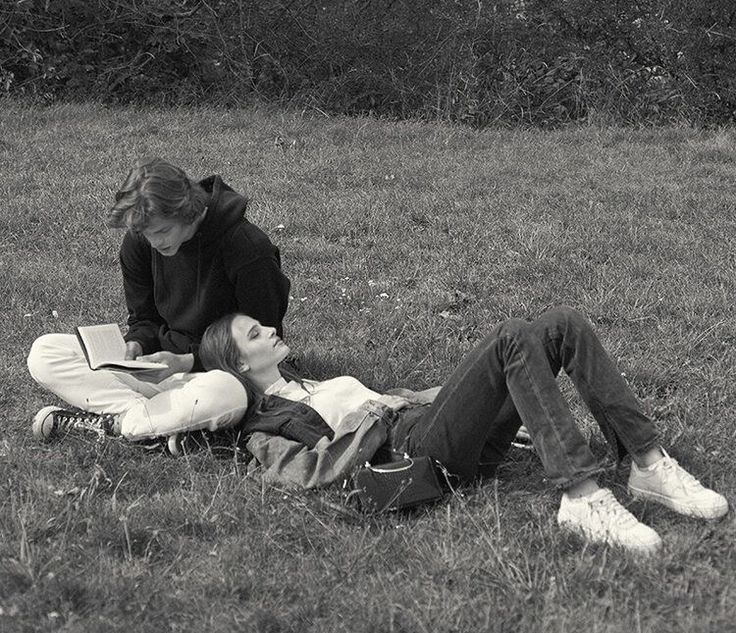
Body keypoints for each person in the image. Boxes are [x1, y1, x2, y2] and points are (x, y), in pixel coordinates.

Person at [194, 306, 727, 555]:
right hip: (416, 452)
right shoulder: (264, 426)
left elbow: (399, 401)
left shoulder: (309, 382)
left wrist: (466, 391)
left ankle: (647, 464)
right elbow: (306, 472)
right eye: (256, 334)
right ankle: (582, 496)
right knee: (511, 335)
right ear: (240, 366)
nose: (271, 331)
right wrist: (375, 416)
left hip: (434, 426)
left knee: (562, 323)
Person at [28, 158, 290, 443]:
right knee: (45, 352)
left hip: (222, 372)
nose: (153, 243)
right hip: (158, 369)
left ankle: (123, 423)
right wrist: (136, 344)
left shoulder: (247, 248)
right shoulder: (140, 241)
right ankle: (153, 421)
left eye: (162, 231)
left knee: (224, 393)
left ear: (188, 211)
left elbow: (264, 339)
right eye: (145, 233)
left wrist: (187, 361)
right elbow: (144, 318)